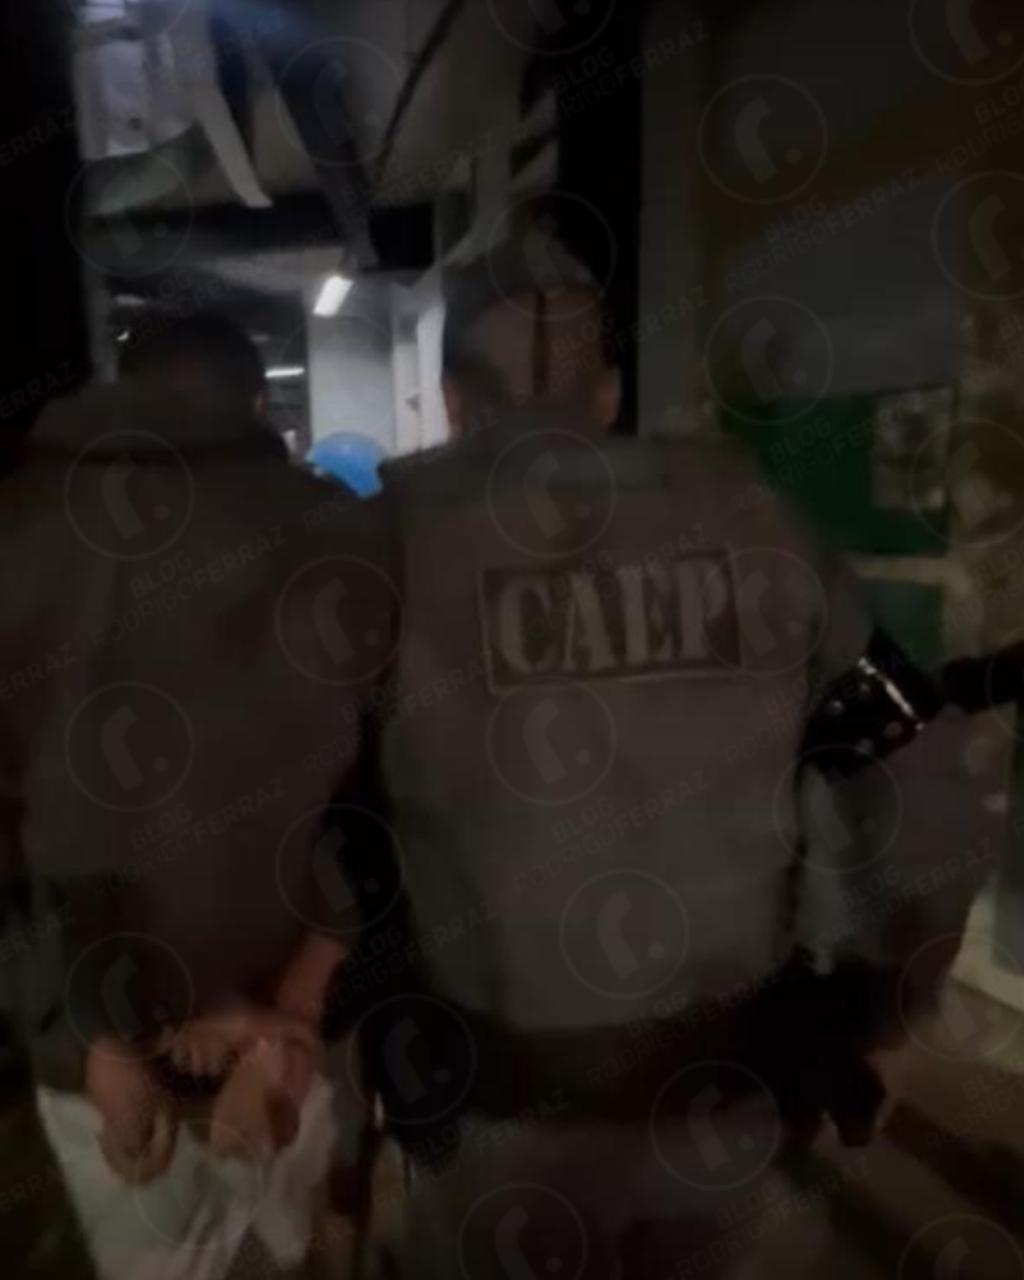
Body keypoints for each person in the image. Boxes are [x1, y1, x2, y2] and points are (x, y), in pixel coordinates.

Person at [335, 226, 1000, 1277]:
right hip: (722, 1117)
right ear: (606, 394)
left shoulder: (384, 549)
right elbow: (918, 771)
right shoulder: (759, 521)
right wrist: (884, 1007)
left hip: (495, 1129)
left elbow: (300, 822)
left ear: (454, 402)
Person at [0, 310, 385, 1280]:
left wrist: (100, 1036)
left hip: (95, 1064)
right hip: (291, 1043)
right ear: (256, 405)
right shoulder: (338, 530)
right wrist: (282, 1019)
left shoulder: (17, 523)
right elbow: (377, 804)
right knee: (295, 1256)